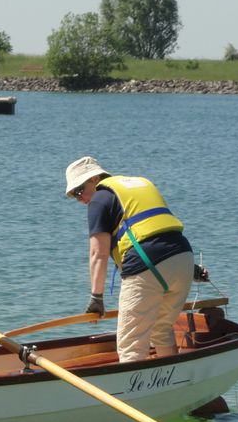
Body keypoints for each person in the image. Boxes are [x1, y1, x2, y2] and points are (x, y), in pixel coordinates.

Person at [65, 156, 200, 363]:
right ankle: (173, 384)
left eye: (79, 191)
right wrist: (194, 270)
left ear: (95, 179)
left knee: (131, 343)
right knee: (161, 329)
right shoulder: (140, 185)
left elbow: (98, 254)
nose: (80, 198)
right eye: (75, 195)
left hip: (148, 266)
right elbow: (159, 231)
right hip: (184, 258)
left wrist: (97, 298)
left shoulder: (100, 199)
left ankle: (133, 394)